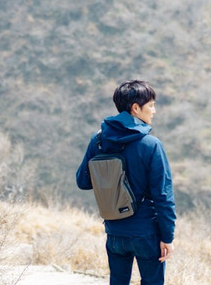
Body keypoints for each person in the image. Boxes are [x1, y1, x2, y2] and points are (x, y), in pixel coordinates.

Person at [76, 79, 177, 285]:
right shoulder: (150, 145)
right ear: (136, 108)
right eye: (151, 105)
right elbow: (163, 195)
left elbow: (83, 181)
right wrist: (167, 237)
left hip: (115, 233)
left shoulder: (98, 141)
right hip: (146, 233)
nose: (154, 111)